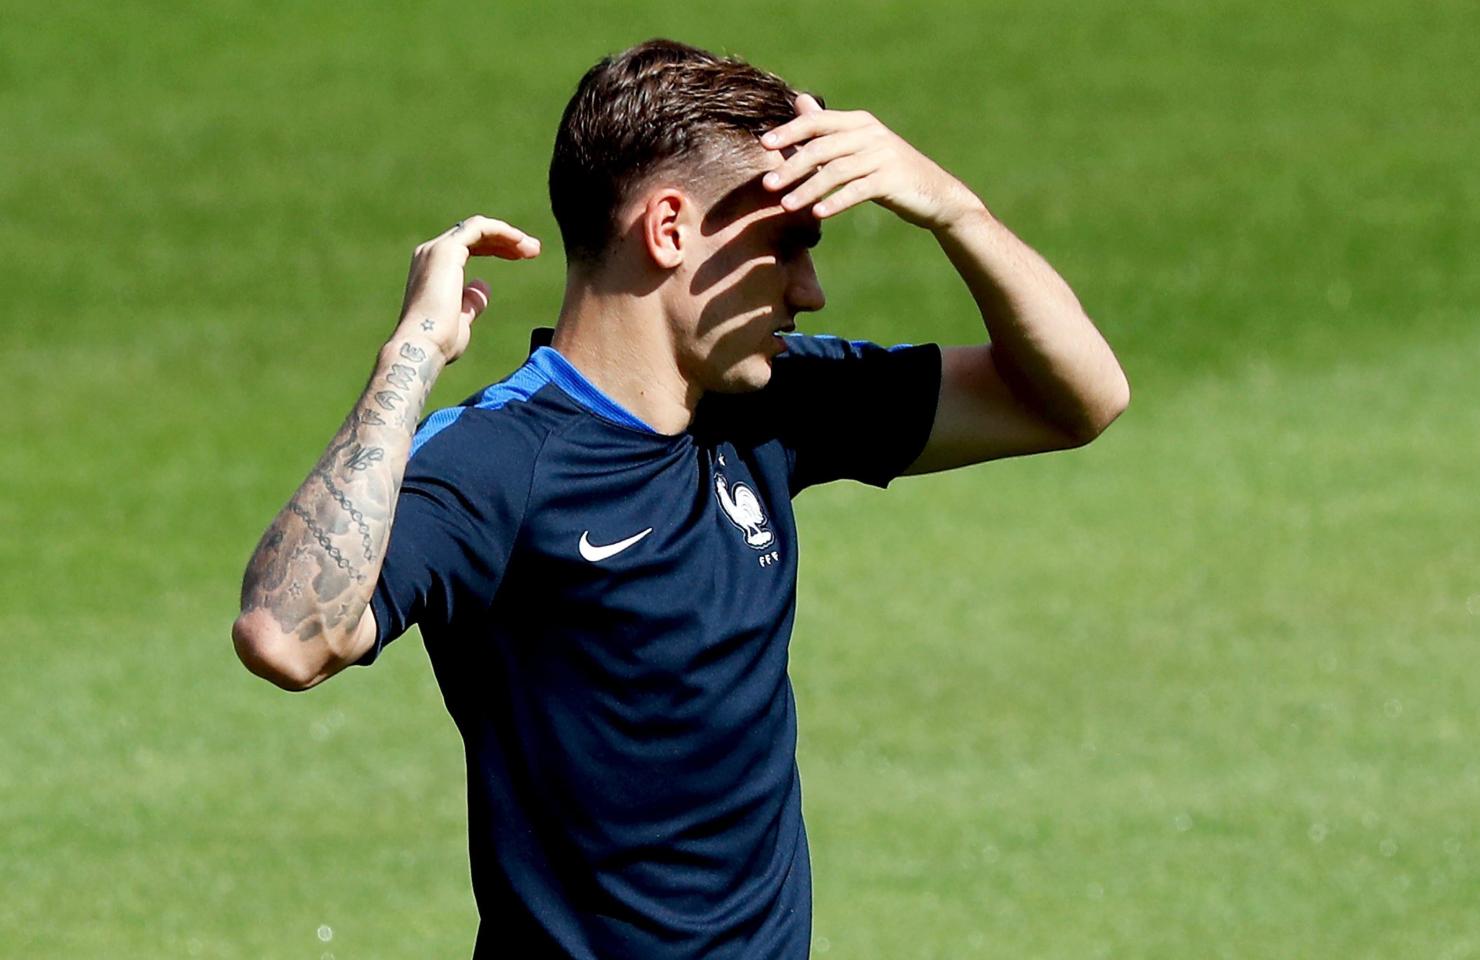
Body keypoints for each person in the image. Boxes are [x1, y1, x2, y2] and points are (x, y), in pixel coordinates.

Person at [233, 38, 1127, 959]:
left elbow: (1079, 400)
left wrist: (955, 211)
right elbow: (286, 635)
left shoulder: (773, 405)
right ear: (667, 229)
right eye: (789, 246)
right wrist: (412, 356)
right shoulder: (502, 459)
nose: (811, 292)